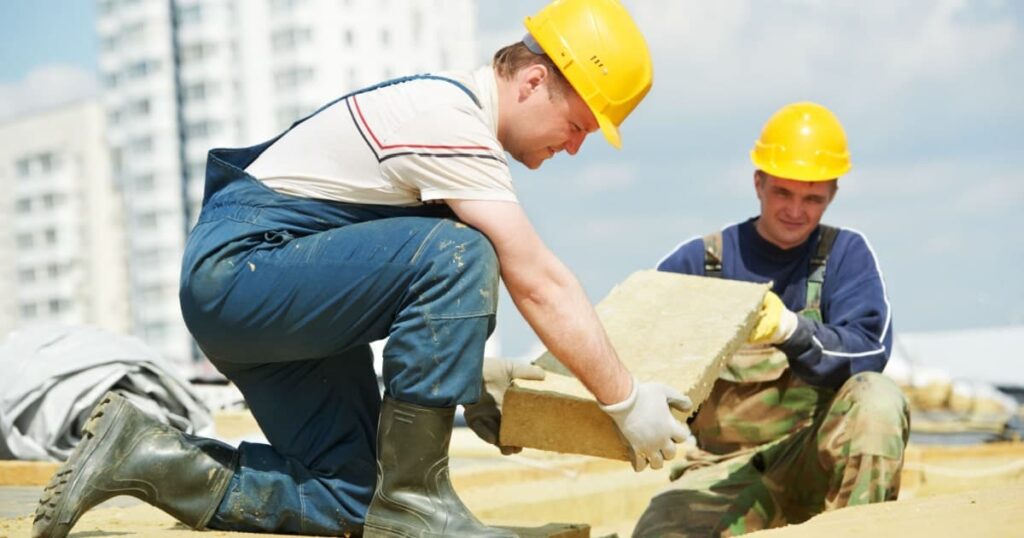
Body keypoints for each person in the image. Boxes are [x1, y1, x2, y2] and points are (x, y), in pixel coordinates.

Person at [32, 1, 692, 537]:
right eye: (577, 125)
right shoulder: (449, 122)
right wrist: (626, 401)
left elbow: (384, 280)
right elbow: (537, 281)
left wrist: (471, 380)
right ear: (532, 81)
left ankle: (145, 457)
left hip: (268, 295)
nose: (573, 148)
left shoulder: (451, 137)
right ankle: (419, 504)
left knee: (350, 497)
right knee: (463, 251)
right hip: (246, 269)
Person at [632, 102, 911, 536]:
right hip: (723, 471)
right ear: (758, 182)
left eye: (812, 198)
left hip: (812, 459)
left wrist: (792, 331)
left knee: (877, 398)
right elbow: (633, 342)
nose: (795, 211)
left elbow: (869, 351)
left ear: (832, 194)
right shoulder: (700, 263)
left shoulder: (844, 257)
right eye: (783, 192)